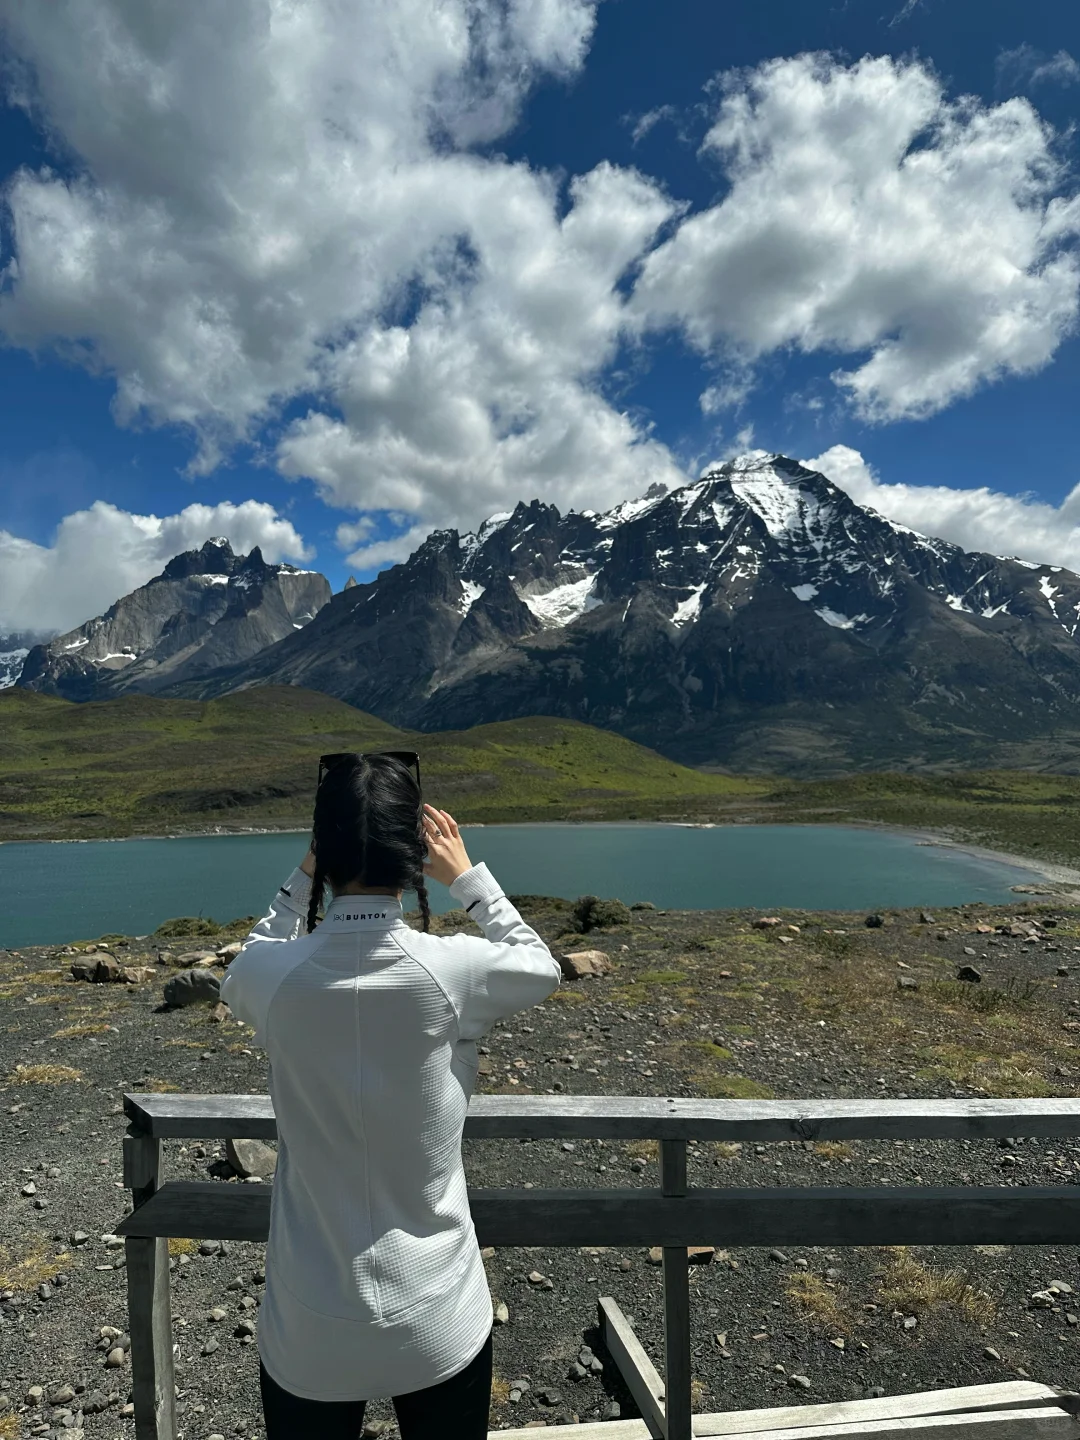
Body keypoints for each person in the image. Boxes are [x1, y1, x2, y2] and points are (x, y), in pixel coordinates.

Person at [219, 751, 563, 1439]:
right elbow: (541, 966)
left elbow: (258, 947)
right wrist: (468, 877)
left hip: (309, 1323)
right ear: (413, 857)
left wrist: (299, 879)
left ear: (325, 849)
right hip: (437, 1311)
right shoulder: (452, 970)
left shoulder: (270, 978)